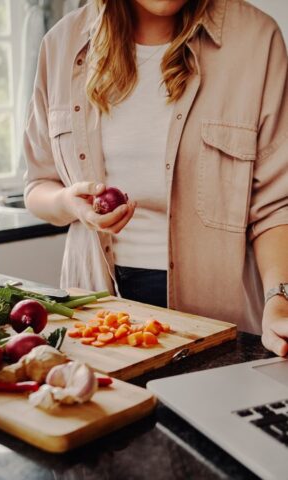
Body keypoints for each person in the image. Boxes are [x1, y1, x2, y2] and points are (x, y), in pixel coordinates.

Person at [23, 0, 288, 356]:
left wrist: (279, 301)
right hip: (95, 316)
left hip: (220, 317)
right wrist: (68, 202)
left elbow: (277, 205)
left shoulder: (257, 39)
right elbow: (37, 186)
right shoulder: (61, 46)